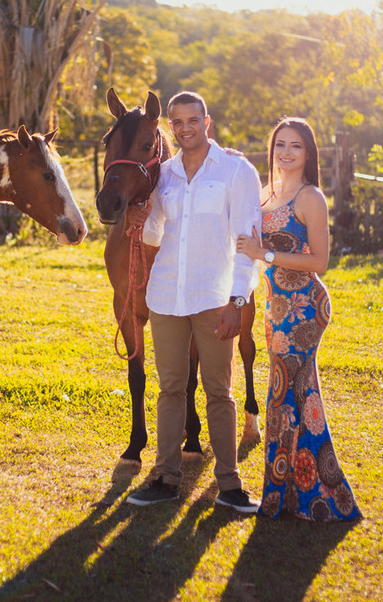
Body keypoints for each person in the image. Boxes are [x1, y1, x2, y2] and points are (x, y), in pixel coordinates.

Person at [124, 91, 262, 513]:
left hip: (214, 296)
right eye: (177, 122)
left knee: (218, 390)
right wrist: (140, 221)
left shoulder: (237, 172)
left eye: (192, 120)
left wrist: (238, 300)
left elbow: (247, 241)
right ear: (171, 126)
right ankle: (165, 477)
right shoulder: (163, 174)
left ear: (208, 122)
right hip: (166, 294)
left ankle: (230, 484)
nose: (185, 128)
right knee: (170, 388)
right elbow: (156, 235)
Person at [235, 117, 361, 521]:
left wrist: (265, 254)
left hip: (305, 305)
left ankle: (277, 495)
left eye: (295, 146)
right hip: (276, 310)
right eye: (280, 145)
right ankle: (313, 492)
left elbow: (319, 261)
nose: (285, 152)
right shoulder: (265, 194)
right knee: (301, 399)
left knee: (282, 397)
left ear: (308, 154)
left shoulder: (311, 198)